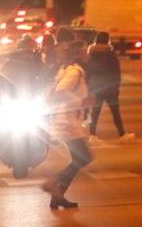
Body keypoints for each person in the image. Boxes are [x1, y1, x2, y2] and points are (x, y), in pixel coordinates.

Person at [43, 42, 92, 211]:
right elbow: (62, 90)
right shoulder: (74, 71)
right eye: (85, 51)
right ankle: (54, 184)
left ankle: (58, 196)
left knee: (80, 159)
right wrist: (81, 102)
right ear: (78, 54)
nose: (88, 54)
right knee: (84, 158)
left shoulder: (67, 69)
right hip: (67, 121)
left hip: (66, 119)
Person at [83, 30, 126, 138]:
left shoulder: (91, 54)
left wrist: (88, 85)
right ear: (108, 41)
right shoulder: (110, 54)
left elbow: (88, 71)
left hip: (96, 87)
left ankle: (92, 134)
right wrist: (117, 85)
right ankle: (122, 134)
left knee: (95, 112)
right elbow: (116, 71)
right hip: (110, 87)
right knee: (115, 111)